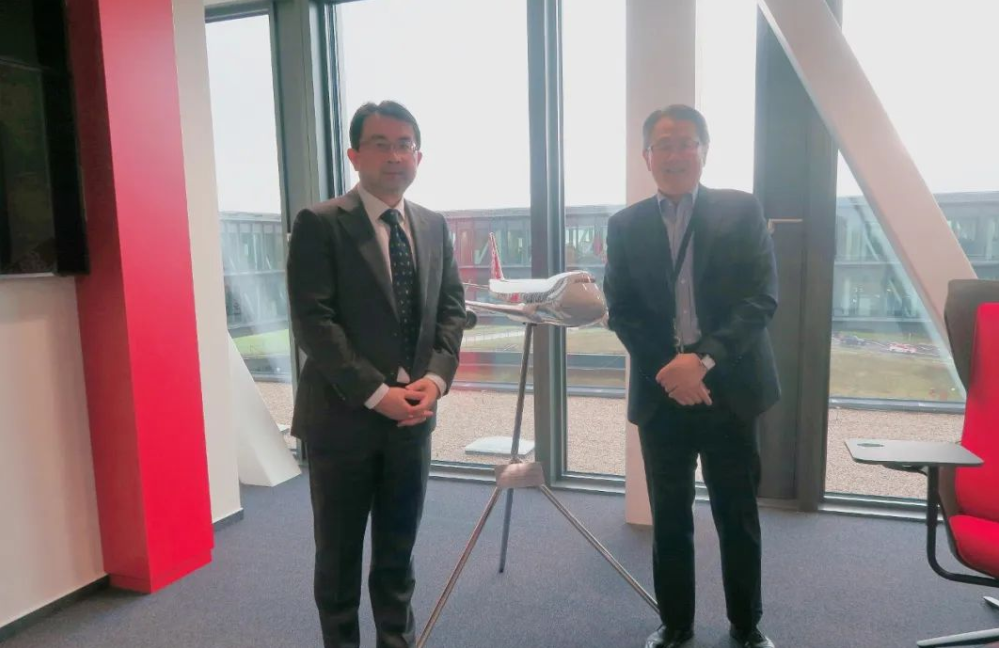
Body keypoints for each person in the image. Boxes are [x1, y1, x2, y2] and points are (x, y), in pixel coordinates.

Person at [287, 100, 466, 648]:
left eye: (404, 144)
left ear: (419, 156)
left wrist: (435, 381)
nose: (394, 156)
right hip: (342, 420)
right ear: (354, 155)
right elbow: (314, 323)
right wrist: (375, 392)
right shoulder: (320, 224)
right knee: (338, 558)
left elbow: (452, 312)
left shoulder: (433, 226)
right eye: (380, 144)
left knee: (397, 553)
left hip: (413, 419)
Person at [604, 105, 780, 648]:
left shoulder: (741, 210)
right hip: (663, 396)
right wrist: (670, 371)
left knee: (737, 514)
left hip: (729, 389)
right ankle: (676, 625)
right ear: (646, 156)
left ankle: (746, 626)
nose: (675, 154)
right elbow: (622, 310)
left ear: (704, 150)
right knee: (669, 517)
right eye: (664, 144)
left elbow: (760, 299)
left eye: (686, 143)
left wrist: (700, 361)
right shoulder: (625, 225)